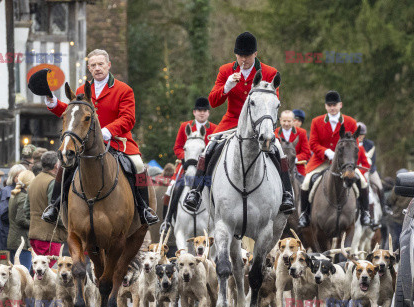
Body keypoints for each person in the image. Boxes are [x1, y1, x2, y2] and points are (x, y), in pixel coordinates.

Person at [30, 48, 158, 225]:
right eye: (93, 65)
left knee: (138, 166)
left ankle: (144, 209)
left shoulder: (124, 89)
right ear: (89, 68)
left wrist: (107, 131)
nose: (97, 68)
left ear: (108, 65)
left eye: (100, 64)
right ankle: (54, 206)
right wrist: (53, 103)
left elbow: (128, 119)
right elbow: (73, 114)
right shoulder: (82, 89)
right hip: (87, 144)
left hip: (117, 141)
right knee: (64, 165)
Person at [183, 32, 295, 214]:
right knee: (209, 148)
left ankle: (287, 194)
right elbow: (213, 101)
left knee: (278, 150)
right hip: (232, 120)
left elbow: (273, 105)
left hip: (259, 123)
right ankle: (195, 192)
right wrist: (226, 87)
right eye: (240, 55)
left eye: (247, 55)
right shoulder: (226, 70)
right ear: (235, 54)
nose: (243, 59)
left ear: (255, 54)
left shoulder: (269, 73)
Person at [298, 91, 371, 228]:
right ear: (326, 106)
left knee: (362, 181)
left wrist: (344, 158)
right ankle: (304, 214)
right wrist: (326, 152)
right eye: (329, 105)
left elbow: (353, 145)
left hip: (345, 163)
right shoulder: (316, 121)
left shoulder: (350, 122)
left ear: (340, 105)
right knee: (306, 183)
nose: (332, 108)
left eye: (334, 105)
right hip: (321, 161)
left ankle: (365, 213)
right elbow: (313, 143)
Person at [159, 97, 218, 234]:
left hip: (206, 170)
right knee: (170, 189)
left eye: (204, 111)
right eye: (199, 110)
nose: (202, 113)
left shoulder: (215, 128)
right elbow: (177, 147)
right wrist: (185, 158)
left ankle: (219, 220)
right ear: (194, 112)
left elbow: (216, 149)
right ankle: (166, 221)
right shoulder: (184, 126)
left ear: (208, 113)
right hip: (186, 166)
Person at [25, 151, 67, 267]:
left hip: (34, 235)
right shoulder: (53, 182)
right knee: (50, 274)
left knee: (39, 274)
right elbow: (53, 211)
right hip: (50, 238)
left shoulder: (33, 181)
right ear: (56, 165)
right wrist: (68, 225)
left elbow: (26, 211)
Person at [357, 122, 389, 215]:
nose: (360, 136)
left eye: (361, 134)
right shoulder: (352, 143)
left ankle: (384, 207)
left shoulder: (370, 144)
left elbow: (373, 159)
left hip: (369, 170)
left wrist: (367, 170)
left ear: (364, 134)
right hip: (356, 170)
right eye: (358, 134)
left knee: (379, 186)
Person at [8, 170, 35, 270]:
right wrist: (35, 224)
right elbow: (21, 220)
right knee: (24, 273)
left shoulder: (14, 195)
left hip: (14, 240)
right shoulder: (23, 197)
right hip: (22, 242)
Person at [0, 164, 26, 250]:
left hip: (22, 236)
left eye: (23, 175)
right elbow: (4, 215)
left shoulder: (25, 191)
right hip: (8, 235)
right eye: (18, 176)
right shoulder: (7, 191)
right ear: (13, 177)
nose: (20, 178)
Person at [274, 110, 311, 177]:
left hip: (297, 169)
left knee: (305, 186)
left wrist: (295, 159)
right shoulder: (275, 132)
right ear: (280, 120)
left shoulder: (301, 132)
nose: (286, 124)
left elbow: (307, 153)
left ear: (293, 121)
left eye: (289, 121)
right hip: (278, 169)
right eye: (284, 121)